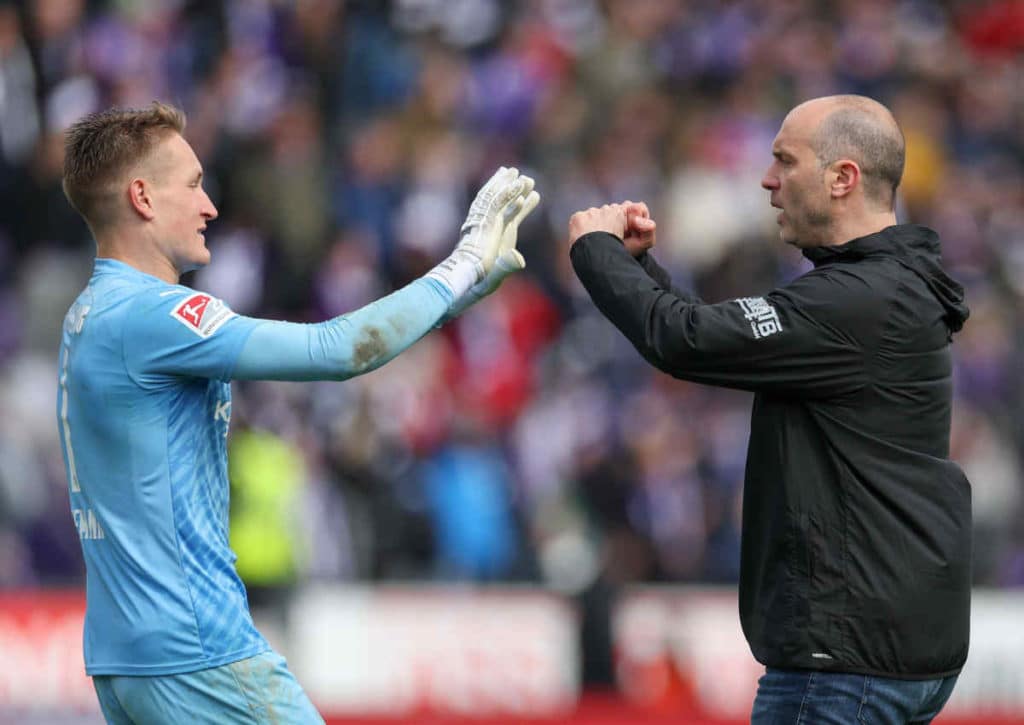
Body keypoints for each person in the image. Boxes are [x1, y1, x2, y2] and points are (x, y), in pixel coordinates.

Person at [55, 101, 539, 724]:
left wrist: (455, 297)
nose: (211, 206)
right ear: (142, 197)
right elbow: (337, 350)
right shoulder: (155, 317)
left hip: (124, 660)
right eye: (195, 185)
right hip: (199, 652)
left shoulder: (88, 316)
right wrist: (461, 266)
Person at [567, 95, 971, 724]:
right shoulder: (885, 290)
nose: (767, 178)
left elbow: (683, 339)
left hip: (842, 664)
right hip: (883, 649)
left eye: (785, 160)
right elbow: (711, 341)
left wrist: (595, 250)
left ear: (843, 178)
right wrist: (640, 267)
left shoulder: (859, 301)